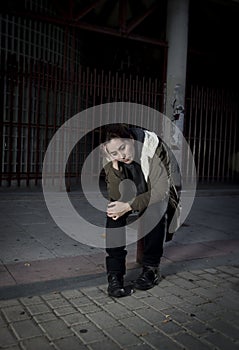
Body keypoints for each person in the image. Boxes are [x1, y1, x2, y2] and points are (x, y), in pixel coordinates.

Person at [101, 124, 180, 298]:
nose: (121, 155)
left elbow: (160, 191)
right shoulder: (110, 155)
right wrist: (114, 166)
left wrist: (129, 206)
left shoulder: (152, 145)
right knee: (113, 213)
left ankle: (151, 269)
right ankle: (115, 275)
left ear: (131, 139)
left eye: (123, 148)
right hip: (131, 193)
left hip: (158, 192)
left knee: (154, 211)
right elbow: (115, 194)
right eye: (115, 153)